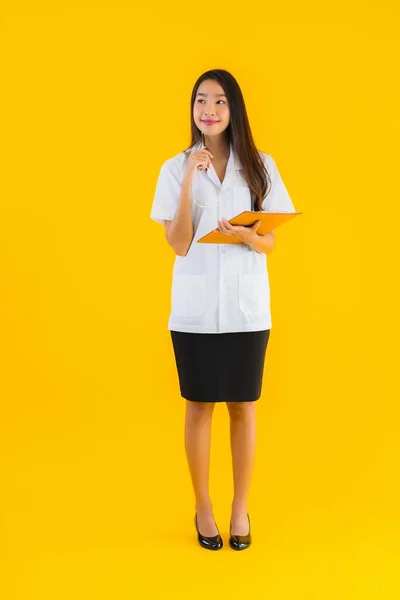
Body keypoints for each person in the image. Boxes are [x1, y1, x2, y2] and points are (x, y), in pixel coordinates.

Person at [150, 69, 296, 551]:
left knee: (243, 407)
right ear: (192, 110)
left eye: (219, 101)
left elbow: (270, 241)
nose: (208, 109)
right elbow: (177, 244)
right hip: (194, 310)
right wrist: (191, 179)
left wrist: (247, 236)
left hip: (245, 309)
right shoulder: (174, 168)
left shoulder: (260, 166)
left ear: (234, 109)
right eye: (200, 101)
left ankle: (239, 508)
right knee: (198, 407)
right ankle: (204, 507)